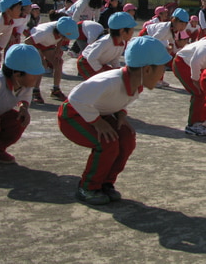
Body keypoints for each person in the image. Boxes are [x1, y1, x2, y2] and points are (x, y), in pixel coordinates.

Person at [58, 36, 171, 205]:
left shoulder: (136, 83)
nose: (163, 73)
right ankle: (88, 187)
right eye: (162, 68)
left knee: (126, 138)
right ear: (147, 70)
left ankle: (106, 183)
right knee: (107, 142)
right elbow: (76, 97)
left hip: (97, 113)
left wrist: (120, 113)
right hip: (74, 115)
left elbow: (114, 100)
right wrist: (97, 122)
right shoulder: (109, 80)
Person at [25, 16, 79, 103]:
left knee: (58, 62)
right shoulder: (43, 33)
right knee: (41, 65)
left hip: (47, 43)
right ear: (61, 33)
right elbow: (27, 42)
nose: (68, 39)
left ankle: (56, 90)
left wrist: (57, 51)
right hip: (35, 43)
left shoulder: (61, 29)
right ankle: (35, 91)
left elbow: (60, 39)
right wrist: (40, 56)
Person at [76, 12, 136, 79]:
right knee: (104, 82)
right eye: (131, 29)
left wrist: (118, 70)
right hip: (85, 64)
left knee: (120, 78)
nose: (133, 32)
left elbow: (114, 59)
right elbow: (91, 58)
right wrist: (101, 73)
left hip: (98, 64)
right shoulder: (105, 42)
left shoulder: (122, 43)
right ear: (122, 31)